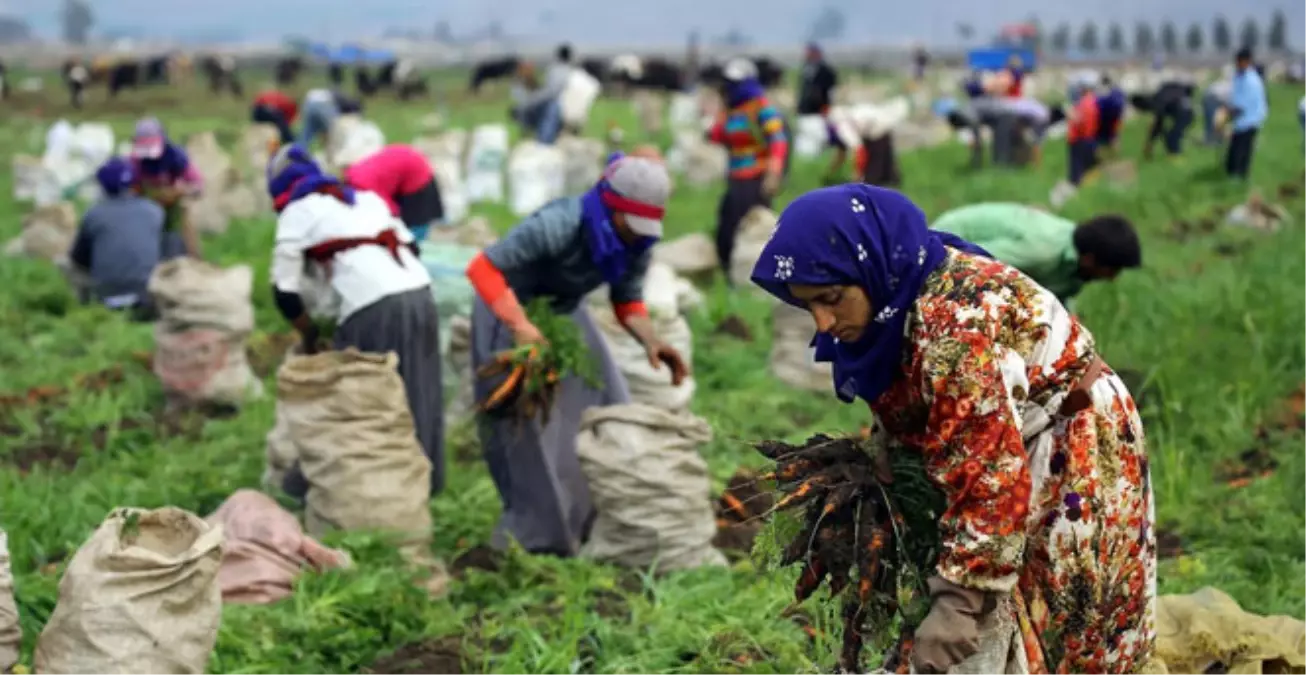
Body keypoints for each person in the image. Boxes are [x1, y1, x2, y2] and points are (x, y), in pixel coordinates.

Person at [750, 184, 1155, 675]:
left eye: (831, 299)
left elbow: (989, 475)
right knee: (987, 597)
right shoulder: (894, 300)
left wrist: (958, 604)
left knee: (1066, 609)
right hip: (1000, 436)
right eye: (808, 304)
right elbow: (916, 396)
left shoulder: (957, 331)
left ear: (872, 269)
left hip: (1072, 434)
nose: (823, 322)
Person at [463, 155, 689, 556]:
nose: (638, 237)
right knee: (524, 424)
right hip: (507, 309)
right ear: (610, 205)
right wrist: (521, 327)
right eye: (632, 225)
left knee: (609, 402)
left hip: (564, 312)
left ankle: (593, 518)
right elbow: (483, 269)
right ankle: (532, 539)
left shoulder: (635, 242)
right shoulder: (559, 224)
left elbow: (627, 299)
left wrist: (651, 340)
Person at [266, 145, 445, 496]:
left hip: (371, 305)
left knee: (353, 398)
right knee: (418, 391)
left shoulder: (297, 211)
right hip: (420, 292)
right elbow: (413, 247)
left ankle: (323, 486)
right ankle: (425, 485)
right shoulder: (364, 199)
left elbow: (284, 292)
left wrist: (310, 334)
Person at [931, 202, 1141, 311]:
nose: (1113, 278)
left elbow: (1055, 300)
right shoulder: (1042, 252)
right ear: (1090, 259)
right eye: (1112, 270)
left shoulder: (1074, 265)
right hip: (946, 243)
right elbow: (974, 262)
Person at [707, 58, 789, 282]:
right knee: (727, 229)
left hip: (757, 178)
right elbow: (716, 135)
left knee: (754, 229)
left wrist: (774, 173)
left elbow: (778, 140)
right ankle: (731, 275)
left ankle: (760, 278)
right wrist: (717, 111)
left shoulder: (762, 108)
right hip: (736, 179)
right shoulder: (731, 110)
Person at [67, 158, 177, 320]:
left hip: (106, 299)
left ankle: (86, 305)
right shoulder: (154, 211)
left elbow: (79, 259)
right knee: (173, 240)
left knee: (67, 265)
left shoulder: (93, 214)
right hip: (149, 296)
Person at [130, 117, 204, 259]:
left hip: (172, 210)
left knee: (185, 217)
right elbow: (128, 187)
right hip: (144, 210)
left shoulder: (176, 157)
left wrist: (180, 191)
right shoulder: (135, 160)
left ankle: (195, 260)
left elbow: (198, 186)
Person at [341, 144, 444, 245]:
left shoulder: (363, 187)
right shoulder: (354, 174)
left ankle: (414, 248)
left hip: (415, 173)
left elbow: (389, 211)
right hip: (406, 161)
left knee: (413, 226)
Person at [795, 43, 842, 180]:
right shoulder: (806, 70)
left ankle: (820, 172)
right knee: (805, 145)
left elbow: (830, 92)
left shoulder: (825, 71)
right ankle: (806, 173)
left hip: (818, 113)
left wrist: (826, 107)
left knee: (819, 141)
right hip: (804, 113)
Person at [1225, 47, 1268, 180]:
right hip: (1240, 120)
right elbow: (1235, 97)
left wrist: (1226, 115)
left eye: (1241, 61)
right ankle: (1233, 173)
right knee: (1234, 150)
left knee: (1242, 150)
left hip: (1250, 119)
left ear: (1248, 61)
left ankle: (1240, 176)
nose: (1238, 64)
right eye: (1237, 61)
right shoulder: (1238, 76)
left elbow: (1243, 104)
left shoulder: (1252, 80)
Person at [510, 50, 570, 145]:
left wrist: (528, 103)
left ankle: (543, 143)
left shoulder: (556, 70)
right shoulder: (569, 70)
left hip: (556, 108)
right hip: (565, 108)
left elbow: (550, 92)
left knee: (549, 108)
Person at [1138, 80, 1196, 159]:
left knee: (1173, 135)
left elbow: (1158, 124)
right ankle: (1173, 153)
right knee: (1171, 133)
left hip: (1183, 113)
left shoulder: (1158, 101)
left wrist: (1150, 142)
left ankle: (1175, 155)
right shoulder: (1163, 93)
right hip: (1188, 111)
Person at [1065, 73, 1101, 187]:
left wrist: (1070, 114)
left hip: (1080, 140)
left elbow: (1079, 122)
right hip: (1092, 139)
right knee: (1090, 172)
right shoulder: (1096, 102)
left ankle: (1077, 195)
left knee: (1076, 176)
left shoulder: (1084, 103)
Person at [1095, 76, 1126, 153]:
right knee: (1114, 137)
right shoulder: (1117, 91)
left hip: (1103, 120)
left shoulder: (1101, 92)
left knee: (1102, 141)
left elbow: (1097, 105)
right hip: (1114, 119)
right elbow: (1121, 105)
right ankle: (1114, 156)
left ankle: (1105, 158)